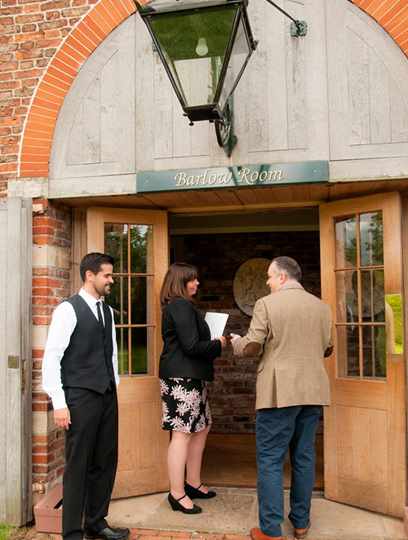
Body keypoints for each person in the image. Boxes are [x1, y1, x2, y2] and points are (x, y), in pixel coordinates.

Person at [231, 257, 333, 540]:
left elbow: (252, 346)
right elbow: (328, 348)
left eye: (269, 277)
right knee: (303, 457)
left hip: (278, 394)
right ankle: (301, 523)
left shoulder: (267, 304)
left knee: (270, 459)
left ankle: (270, 530)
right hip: (312, 392)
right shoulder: (322, 307)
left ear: (283, 278)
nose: (267, 282)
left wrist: (237, 342)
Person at [42, 252, 129, 540]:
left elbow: (112, 354)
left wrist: (112, 385)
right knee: (78, 464)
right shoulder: (68, 310)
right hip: (79, 397)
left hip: (106, 396)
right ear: (89, 275)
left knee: (105, 459)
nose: (111, 280)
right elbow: (52, 358)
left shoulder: (106, 311)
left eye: (111, 275)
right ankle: (72, 532)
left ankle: (96, 522)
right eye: (107, 275)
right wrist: (59, 403)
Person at [159, 262, 228, 514]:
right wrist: (218, 343)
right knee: (182, 432)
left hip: (191, 377)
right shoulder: (180, 306)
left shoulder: (182, 306)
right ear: (181, 282)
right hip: (181, 378)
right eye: (193, 279)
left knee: (202, 426)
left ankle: (193, 483)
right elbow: (191, 346)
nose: (197, 283)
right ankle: (176, 494)